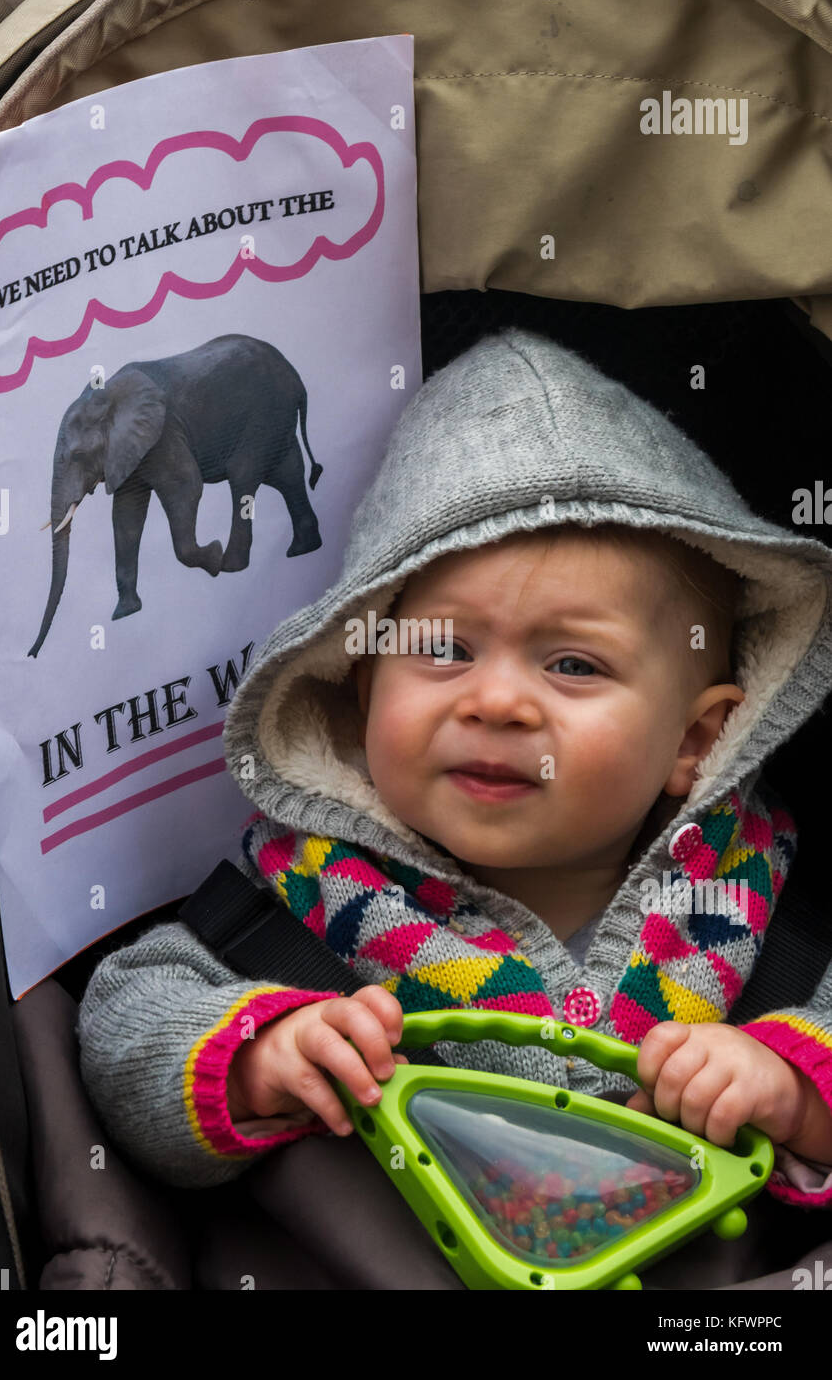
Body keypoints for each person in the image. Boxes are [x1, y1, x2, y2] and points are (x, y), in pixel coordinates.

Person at [77, 328, 832, 1224]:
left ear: (696, 741)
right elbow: (120, 1021)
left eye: (575, 666)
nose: (498, 703)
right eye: (443, 650)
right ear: (360, 700)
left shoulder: (757, 907)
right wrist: (257, 1055)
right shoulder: (301, 903)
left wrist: (794, 1088)